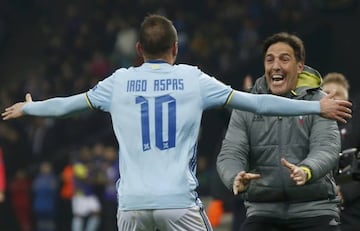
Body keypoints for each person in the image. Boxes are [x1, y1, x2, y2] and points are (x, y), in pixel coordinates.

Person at [1, 15, 352, 231]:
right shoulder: (193, 79)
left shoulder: (118, 82)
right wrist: (318, 107)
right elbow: (257, 102)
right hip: (177, 203)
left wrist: (32, 109)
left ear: (139, 49)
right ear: (175, 48)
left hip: (131, 206)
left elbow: (68, 106)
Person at [217, 32, 345, 231]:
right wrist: (234, 176)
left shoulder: (321, 102)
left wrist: (307, 169)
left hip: (314, 208)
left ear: (299, 67)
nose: (276, 66)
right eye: (270, 60)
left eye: (284, 59)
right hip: (263, 211)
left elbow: (327, 148)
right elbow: (231, 152)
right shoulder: (247, 104)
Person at [322, 72, 360, 231]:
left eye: (337, 95)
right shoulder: (308, 129)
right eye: (326, 94)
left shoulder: (356, 128)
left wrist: (346, 191)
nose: (332, 99)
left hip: (354, 212)